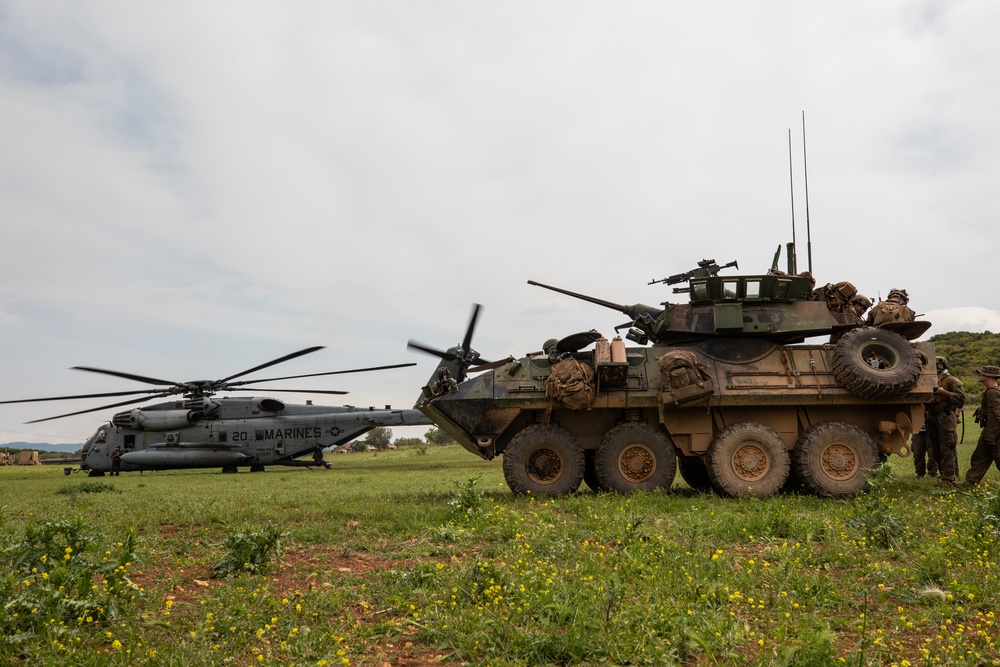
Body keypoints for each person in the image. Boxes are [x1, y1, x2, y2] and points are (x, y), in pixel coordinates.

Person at [926, 356, 965, 487]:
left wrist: (944, 393)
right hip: (931, 416)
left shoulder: (951, 380)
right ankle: (945, 476)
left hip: (946, 416)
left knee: (947, 447)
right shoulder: (929, 380)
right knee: (935, 448)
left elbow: (961, 398)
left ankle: (948, 479)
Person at [966, 364, 1000, 486]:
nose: (979, 375)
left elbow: (996, 416)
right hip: (990, 431)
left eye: (981, 373)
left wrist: (991, 436)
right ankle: (971, 482)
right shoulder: (990, 391)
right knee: (979, 457)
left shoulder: (993, 393)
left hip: (995, 432)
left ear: (988, 376)